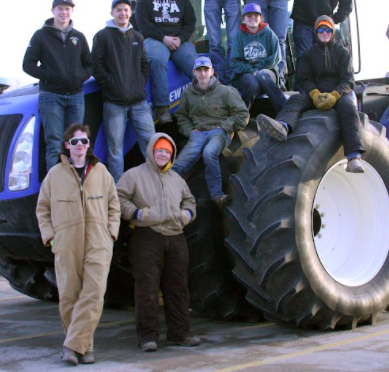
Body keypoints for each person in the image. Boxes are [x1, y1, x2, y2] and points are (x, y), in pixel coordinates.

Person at [36, 123, 120, 366]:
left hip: (98, 240)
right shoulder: (54, 175)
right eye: (75, 142)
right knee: (69, 296)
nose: (80, 146)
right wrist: (51, 237)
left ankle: (71, 346)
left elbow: (114, 206)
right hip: (66, 242)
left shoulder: (101, 172)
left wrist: (111, 233)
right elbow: (42, 209)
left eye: (84, 141)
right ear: (67, 146)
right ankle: (85, 348)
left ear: (89, 145)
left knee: (94, 293)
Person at [117, 133, 200, 352]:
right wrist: (137, 213)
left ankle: (180, 333)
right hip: (147, 236)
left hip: (175, 236)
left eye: (167, 151)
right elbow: (118, 198)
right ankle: (148, 337)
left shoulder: (177, 179)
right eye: (159, 150)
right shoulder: (133, 175)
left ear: (171, 155)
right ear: (152, 151)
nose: (163, 154)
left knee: (178, 288)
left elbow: (190, 200)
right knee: (147, 288)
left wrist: (187, 215)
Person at [257, 15, 365, 173]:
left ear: (333, 31)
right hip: (315, 92)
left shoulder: (343, 53)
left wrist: (335, 94)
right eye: (321, 29)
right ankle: (283, 127)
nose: (324, 32)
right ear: (316, 32)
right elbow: (303, 79)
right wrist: (314, 93)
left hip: (338, 93)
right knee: (295, 100)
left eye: (328, 29)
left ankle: (353, 157)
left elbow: (348, 80)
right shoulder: (308, 54)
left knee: (348, 107)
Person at [23, 0, 92, 172]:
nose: (64, 12)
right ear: (52, 11)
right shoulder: (41, 36)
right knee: (54, 143)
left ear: (72, 12)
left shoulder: (79, 37)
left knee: (76, 143)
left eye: (67, 9)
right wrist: (48, 76)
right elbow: (28, 64)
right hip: (51, 96)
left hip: (75, 96)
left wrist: (79, 77)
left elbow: (89, 64)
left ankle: (76, 185)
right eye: (60, 8)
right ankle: (54, 190)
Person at [92, 0, 156, 182]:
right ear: (112, 13)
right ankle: (117, 194)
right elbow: (97, 67)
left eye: (126, 10)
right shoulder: (102, 36)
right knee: (115, 151)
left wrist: (138, 84)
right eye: (119, 10)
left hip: (139, 102)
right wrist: (112, 86)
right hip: (114, 104)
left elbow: (145, 65)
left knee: (150, 144)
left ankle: (157, 185)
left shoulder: (137, 37)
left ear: (130, 13)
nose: (123, 13)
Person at [173, 56, 249, 208]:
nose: (203, 74)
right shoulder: (188, 93)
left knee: (209, 153)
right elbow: (181, 116)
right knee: (177, 166)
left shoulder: (225, 91)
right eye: (199, 70)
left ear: (212, 71)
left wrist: (225, 127)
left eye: (206, 70)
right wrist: (190, 131)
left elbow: (242, 114)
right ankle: (166, 198)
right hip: (197, 134)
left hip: (218, 132)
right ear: (194, 72)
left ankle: (217, 196)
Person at [135, 0, 197, 124]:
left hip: (179, 40)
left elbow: (190, 22)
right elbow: (143, 24)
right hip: (154, 39)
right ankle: (162, 108)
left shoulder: (182, 0)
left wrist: (181, 38)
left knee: (196, 64)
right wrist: (163, 38)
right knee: (156, 60)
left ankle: (209, 99)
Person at [230, 3, 287, 113]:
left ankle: (284, 111)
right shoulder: (238, 36)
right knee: (252, 84)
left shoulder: (269, 33)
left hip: (268, 71)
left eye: (256, 15)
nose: (252, 18)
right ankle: (242, 116)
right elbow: (235, 62)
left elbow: (276, 57)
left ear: (261, 18)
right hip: (246, 73)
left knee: (262, 76)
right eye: (249, 16)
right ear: (243, 19)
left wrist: (259, 69)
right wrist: (252, 70)